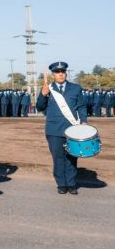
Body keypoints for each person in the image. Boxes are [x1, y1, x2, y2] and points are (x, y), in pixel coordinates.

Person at [36, 61, 88, 195]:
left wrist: (83, 122)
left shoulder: (76, 88)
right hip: (54, 130)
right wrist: (43, 94)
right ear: (53, 75)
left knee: (72, 156)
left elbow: (81, 106)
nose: (60, 74)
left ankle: (71, 184)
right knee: (58, 158)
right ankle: (61, 184)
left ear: (66, 73)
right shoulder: (48, 88)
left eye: (62, 72)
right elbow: (40, 107)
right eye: (57, 72)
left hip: (73, 129)